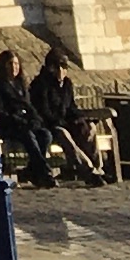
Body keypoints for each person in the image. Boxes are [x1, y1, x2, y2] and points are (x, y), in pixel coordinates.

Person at [27, 42, 112, 187]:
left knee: (90, 128)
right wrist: (63, 122)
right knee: (64, 134)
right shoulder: (41, 84)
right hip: (51, 126)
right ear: (50, 67)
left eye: (64, 66)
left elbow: (71, 107)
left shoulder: (67, 84)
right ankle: (88, 171)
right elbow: (44, 111)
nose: (61, 70)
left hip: (66, 122)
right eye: (58, 66)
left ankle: (99, 169)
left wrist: (81, 118)